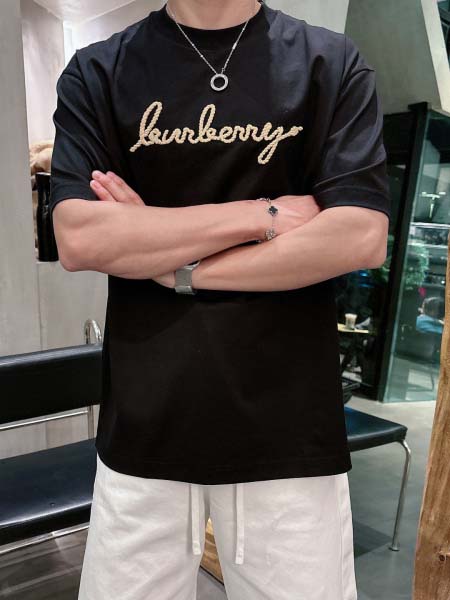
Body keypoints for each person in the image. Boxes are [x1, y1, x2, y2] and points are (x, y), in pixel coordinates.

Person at [49, 1, 390, 598]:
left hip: (288, 435)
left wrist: (174, 265)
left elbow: (359, 236)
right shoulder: (98, 70)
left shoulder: (328, 62)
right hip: (143, 431)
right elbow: (80, 237)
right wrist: (261, 215)